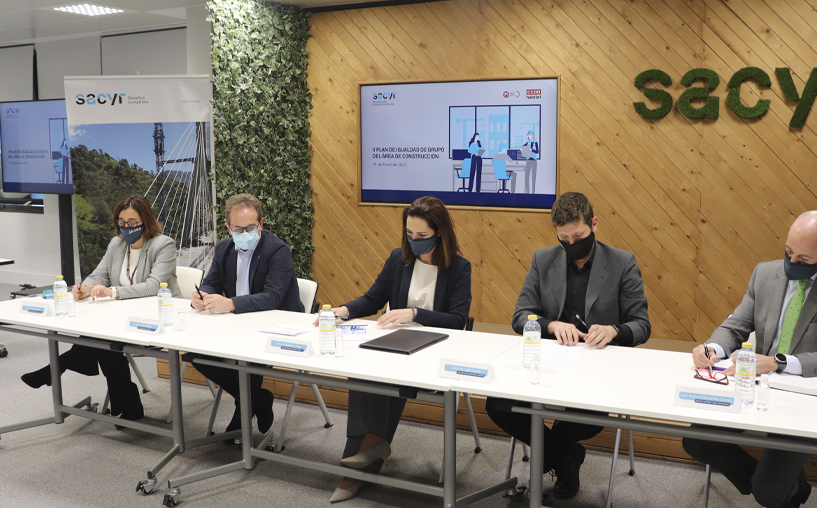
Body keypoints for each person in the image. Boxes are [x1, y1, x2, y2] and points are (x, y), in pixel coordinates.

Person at [683, 210, 817, 508]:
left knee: (769, 493)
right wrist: (712, 349)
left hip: (807, 399)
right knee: (696, 441)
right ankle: (770, 483)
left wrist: (777, 362)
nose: (792, 262)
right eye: (788, 252)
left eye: (804, 259)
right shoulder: (765, 274)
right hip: (755, 388)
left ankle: (778, 490)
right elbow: (735, 326)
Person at [484, 192, 651, 500]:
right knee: (497, 405)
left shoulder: (621, 263)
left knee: (586, 418)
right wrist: (551, 325)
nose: (572, 244)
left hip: (598, 366)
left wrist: (614, 330)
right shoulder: (543, 259)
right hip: (549, 363)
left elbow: (641, 325)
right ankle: (566, 456)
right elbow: (520, 316)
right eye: (564, 238)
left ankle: (555, 455)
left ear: (594, 224)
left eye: (579, 236)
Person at [321, 196, 471, 503]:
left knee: (385, 372)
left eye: (422, 235)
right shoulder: (398, 259)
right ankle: (371, 447)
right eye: (409, 234)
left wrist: (415, 313)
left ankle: (359, 466)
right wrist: (343, 310)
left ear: (440, 232)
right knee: (362, 366)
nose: (414, 241)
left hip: (435, 350)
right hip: (397, 344)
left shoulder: (459, 268)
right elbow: (373, 299)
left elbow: (457, 320)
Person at [20, 195, 181, 421]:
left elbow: (154, 286)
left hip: (158, 316)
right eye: (122, 222)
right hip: (121, 314)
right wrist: (84, 289)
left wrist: (112, 292)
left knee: (102, 342)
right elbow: (99, 275)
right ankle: (128, 406)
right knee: (103, 342)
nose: (126, 227)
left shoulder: (163, 244)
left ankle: (59, 367)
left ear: (145, 220)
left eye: (132, 222)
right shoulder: (117, 244)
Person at [191, 193, 302, 443]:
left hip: (279, 326)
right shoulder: (223, 249)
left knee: (249, 359)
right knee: (196, 354)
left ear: (260, 224)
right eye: (238, 229)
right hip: (239, 325)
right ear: (228, 228)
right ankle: (257, 399)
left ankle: (242, 415)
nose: (245, 233)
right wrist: (201, 296)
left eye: (250, 228)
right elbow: (211, 282)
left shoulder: (277, 250)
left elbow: (273, 297)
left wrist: (230, 303)